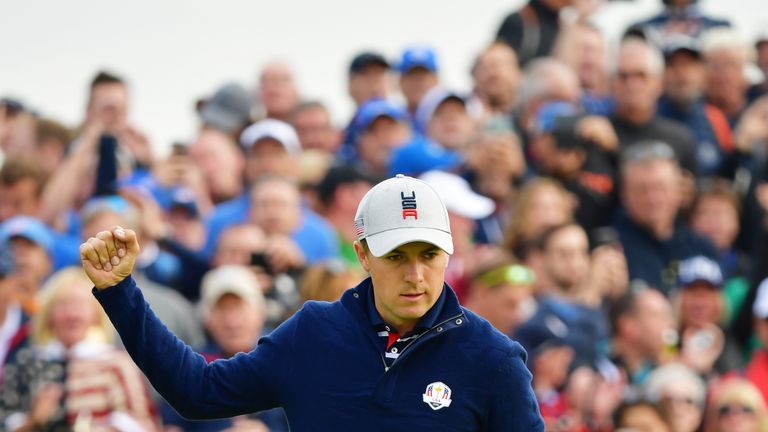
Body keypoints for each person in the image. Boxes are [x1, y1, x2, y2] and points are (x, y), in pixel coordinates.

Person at [79, 174, 544, 431]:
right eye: (396, 255)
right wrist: (121, 293)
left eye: (428, 255)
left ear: (448, 254)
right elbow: (197, 392)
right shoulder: (314, 333)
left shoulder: (492, 359)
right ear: (362, 254)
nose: (415, 274)